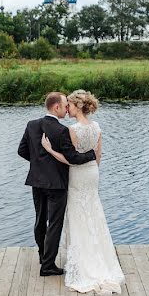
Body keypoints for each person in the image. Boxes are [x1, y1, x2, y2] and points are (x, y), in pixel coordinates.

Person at [41, 89, 124, 294]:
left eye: (69, 104)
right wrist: (94, 171)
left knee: (78, 215)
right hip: (92, 173)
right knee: (94, 211)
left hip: (78, 174)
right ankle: (100, 258)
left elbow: (71, 159)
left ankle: (83, 263)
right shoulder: (96, 127)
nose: (66, 108)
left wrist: (50, 150)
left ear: (76, 106)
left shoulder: (73, 130)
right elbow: (98, 154)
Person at [18, 92, 96, 276]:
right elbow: (73, 158)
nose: (66, 108)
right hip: (57, 184)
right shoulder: (61, 131)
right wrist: (91, 155)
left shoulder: (31, 125)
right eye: (65, 105)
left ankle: (42, 256)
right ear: (56, 107)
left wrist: (38, 163)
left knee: (40, 220)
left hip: (37, 182)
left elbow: (21, 150)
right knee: (54, 223)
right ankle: (48, 266)